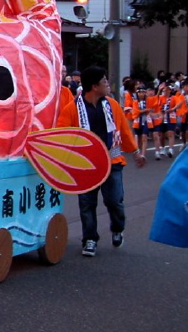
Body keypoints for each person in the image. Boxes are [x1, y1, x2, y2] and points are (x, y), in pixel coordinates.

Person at [57, 66, 146, 257]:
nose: (108, 84)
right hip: (85, 165)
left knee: (114, 201)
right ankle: (90, 238)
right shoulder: (72, 108)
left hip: (112, 161)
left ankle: (117, 227)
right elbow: (62, 136)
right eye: (104, 81)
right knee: (87, 204)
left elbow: (124, 131)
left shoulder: (112, 105)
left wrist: (136, 152)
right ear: (94, 86)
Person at [131, 87, 153, 159]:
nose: (141, 94)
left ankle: (143, 154)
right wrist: (145, 110)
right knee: (139, 137)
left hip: (146, 120)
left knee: (144, 136)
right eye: (139, 93)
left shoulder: (148, 101)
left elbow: (151, 108)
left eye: (143, 92)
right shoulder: (135, 102)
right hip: (137, 121)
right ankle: (139, 152)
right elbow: (136, 111)